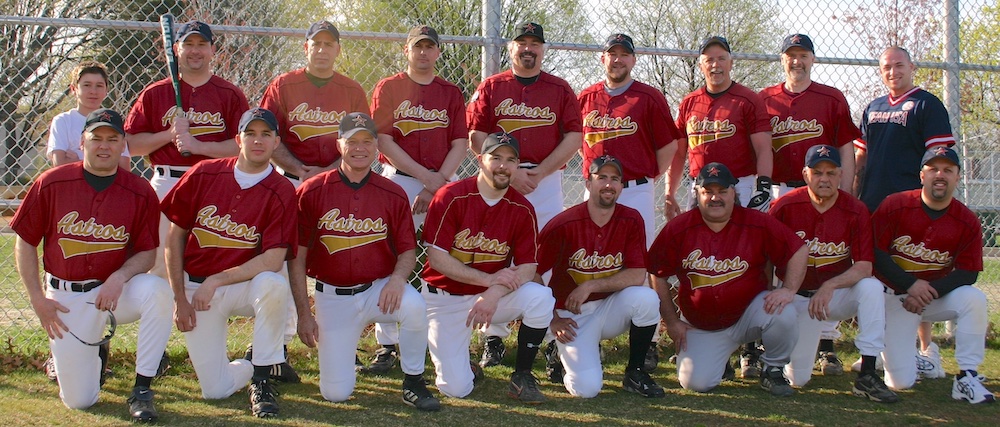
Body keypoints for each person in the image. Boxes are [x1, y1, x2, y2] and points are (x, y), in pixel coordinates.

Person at [13, 109, 172, 421]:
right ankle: (94, 354)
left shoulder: (139, 191)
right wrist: (37, 299)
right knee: (80, 401)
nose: (104, 145)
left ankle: (142, 388)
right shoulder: (51, 183)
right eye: (96, 138)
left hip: (117, 292)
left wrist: (120, 276)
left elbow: (147, 254)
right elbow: (25, 242)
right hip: (67, 297)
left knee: (156, 290)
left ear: (122, 144)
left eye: (112, 139)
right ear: (82, 142)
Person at [291, 112, 439, 410]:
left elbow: (408, 250)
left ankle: (414, 382)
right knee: (336, 393)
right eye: (352, 141)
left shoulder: (393, 192)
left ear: (376, 147)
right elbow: (297, 258)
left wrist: (397, 280)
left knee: (414, 306)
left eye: (367, 141)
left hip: (378, 289)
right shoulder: (312, 190)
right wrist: (304, 313)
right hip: (332, 296)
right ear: (339, 145)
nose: (360, 148)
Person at [161, 108, 295, 418]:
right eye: (250, 133)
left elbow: (274, 258)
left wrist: (217, 279)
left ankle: (262, 379)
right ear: (238, 139)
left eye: (266, 134)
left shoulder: (282, 190)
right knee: (216, 390)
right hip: (196, 289)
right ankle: (253, 365)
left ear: (277, 142)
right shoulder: (204, 173)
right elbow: (174, 238)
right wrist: (180, 297)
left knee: (274, 283)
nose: (257, 140)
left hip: (242, 286)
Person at [466, 21, 581, 368]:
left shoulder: (559, 89)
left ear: (542, 49)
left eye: (535, 43)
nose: (528, 48)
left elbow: (574, 137)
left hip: (544, 180)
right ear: (511, 48)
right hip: (500, 178)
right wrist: (510, 173)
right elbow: (476, 135)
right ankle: (494, 337)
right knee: (497, 251)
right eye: (521, 42)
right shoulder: (492, 86)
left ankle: (547, 334)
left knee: (546, 254)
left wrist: (540, 172)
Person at [648, 162, 807, 396]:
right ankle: (719, 360)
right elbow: (656, 271)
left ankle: (773, 368)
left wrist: (789, 289)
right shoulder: (679, 228)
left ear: (734, 193)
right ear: (698, 194)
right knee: (696, 383)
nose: (715, 198)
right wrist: (672, 322)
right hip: (702, 325)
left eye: (722, 191)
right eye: (708, 192)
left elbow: (798, 249)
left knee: (784, 312)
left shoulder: (756, 222)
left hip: (747, 317)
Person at [421, 132, 555, 403]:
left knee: (540, 297)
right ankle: (465, 367)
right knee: (455, 388)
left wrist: (493, 293)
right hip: (445, 297)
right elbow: (437, 258)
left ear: (517, 166)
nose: (503, 166)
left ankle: (522, 375)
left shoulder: (522, 207)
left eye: (510, 160)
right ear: (480, 159)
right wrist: (488, 280)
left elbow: (528, 268)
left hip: (490, 297)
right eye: (496, 158)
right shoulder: (451, 196)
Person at [367, 25, 469, 373]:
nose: (424, 53)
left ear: (438, 52)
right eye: (417, 47)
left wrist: (436, 184)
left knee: (449, 255)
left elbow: (460, 142)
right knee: (389, 253)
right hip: (400, 180)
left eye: (430, 47)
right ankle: (387, 343)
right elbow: (382, 139)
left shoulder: (451, 93)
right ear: (406, 51)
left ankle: (447, 337)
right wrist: (426, 179)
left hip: (443, 181)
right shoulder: (390, 87)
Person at [759, 33, 862, 376]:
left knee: (828, 259)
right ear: (782, 60)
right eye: (791, 55)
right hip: (778, 191)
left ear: (813, 59)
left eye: (803, 55)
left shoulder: (831, 98)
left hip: (824, 190)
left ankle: (827, 347)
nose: (796, 61)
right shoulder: (766, 99)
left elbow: (846, 147)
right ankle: (763, 340)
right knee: (773, 261)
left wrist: (845, 191)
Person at [854, 46, 957, 376]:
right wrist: (855, 196)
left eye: (899, 65)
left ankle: (926, 350)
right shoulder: (873, 107)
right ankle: (876, 346)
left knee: (915, 269)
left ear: (912, 66)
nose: (892, 71)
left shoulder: (927, 104)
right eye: (886, 66)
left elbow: (939, 160)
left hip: (912, 206)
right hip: (874, 204)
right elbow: (860, 157)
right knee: (876, 279)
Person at [769, 145, 897, 403]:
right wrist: (775, 292)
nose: (824, 179)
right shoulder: (784, 206)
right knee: (798, 379)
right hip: (798, 298)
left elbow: (864, 266)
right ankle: (772, 362)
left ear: (840, 175)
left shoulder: (855, 209)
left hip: (835, 297)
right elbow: (765, 258)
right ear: (806, 174)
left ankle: (868, 373)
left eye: (830, 172)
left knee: (871, 288)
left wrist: (830, 286)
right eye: (817, 172)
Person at [125, 20, 250, 280]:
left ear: (213, 50)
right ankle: (162, 317)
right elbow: (130, 144)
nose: (195, 50)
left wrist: (199, 146)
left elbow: (242, 146)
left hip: (213, 184)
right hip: (166, 181)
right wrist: (168, 135)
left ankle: (203, 318)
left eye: (201, 44)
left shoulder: (230, 94)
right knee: (159, 265)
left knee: (207, 261)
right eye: (188, 44)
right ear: (176, 49)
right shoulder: (155, 93)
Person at [873, 147, 994, 404]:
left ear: (958, 177)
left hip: (931, 298)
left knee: (974, 299)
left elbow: (969, 271)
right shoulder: (895, 205)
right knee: (900, 383)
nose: (940, 175)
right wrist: (911, 284)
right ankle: (912, 356)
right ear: (922, 175)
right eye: (933, 169)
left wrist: (928, 291)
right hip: (896, 298)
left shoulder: (967, 220)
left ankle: (967, 376)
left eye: (948, 170)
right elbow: (875, 252)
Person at [537, 155, 663, 398]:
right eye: (601, 177)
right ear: (588, 184)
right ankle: (557, 348)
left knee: (646, 298)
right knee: (586, 389)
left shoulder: (631, 218)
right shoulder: (563, 223)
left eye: (615, 179)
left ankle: (635, 373)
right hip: (572, 317)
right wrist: (552, 321)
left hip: (609, 308)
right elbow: (533, 275)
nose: (608, 184)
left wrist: (591, 285)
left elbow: (637, 273)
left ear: (621, 186)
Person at [670, 36, 773, 214]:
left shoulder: (748, 100)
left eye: (721, 59)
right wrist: (669, 193)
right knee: (697, 240)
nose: (715, 65)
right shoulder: (689, 102)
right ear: (701, 66)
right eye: (709, 60)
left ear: (731, 63)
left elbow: (763, 148)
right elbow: (678, 153)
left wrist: (763, 186)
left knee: (741, 240)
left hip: (739, 185)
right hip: (700, 187)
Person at [259, 20, 369, 186]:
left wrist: (330, 170)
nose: (321, 50)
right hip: (291, 178)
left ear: (338, 50)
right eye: (316, 43)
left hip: (339, 178)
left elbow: (364, 140)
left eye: (328, 44)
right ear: (305, 48)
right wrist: (299, 170)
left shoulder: (352, 90)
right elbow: (266, 134)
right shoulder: (282, 85)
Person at [46, 61, 131, 169]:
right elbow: (60, 164)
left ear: (106, 90)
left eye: (99, 86)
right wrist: (104, 162)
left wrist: (78, 159)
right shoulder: (63, 121)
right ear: (74, 89)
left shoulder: (112, 120)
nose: (93, 91)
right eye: (87, 85)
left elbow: (124, 167)